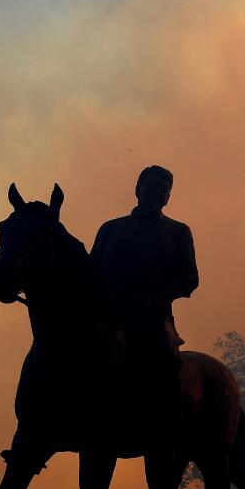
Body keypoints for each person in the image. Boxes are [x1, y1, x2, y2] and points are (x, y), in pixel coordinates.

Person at [91, 165, 198, 436]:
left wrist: (153, 301)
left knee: (166, 362)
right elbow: (91, 273)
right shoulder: (110, 229)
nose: (157, 193)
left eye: (164, 190)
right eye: (152, 187)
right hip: (109, 315)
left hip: (154, 319)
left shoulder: (178, 232)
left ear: (168, 198)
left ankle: (168, 431)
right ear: (138, 190)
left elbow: (189, 278)